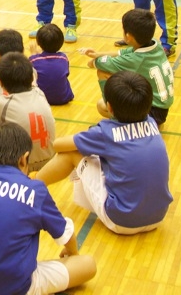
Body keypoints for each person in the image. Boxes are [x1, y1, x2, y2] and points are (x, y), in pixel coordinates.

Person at [0, 122, 96, 295]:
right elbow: (65, 235)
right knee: (88, 265)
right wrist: (72, 253)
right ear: (24, 158)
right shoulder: (35, 190)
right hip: (14, 286)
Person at [36, 71, 173, 234]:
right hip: (158, 217)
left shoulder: (105, 133)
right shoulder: (151, 123)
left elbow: (58, 145)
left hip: (122, 221)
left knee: (72, 152)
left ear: (109, 107)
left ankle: (32, 185)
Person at [79, 9, 174, 126]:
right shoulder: (155, 44)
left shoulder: (137, 60)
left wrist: (93, 62)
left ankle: (117, 119)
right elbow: (123, 53)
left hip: (151, 113)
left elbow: (102, 64)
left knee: (102, 80)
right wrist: (98, 54)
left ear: (128, 36)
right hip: (161, 110)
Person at [30, 23, 74, 105]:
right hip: (64, 98)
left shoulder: (33, 59)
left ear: (38, 42)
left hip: (40, 100)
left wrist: (33, 54)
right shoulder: (63, 58)